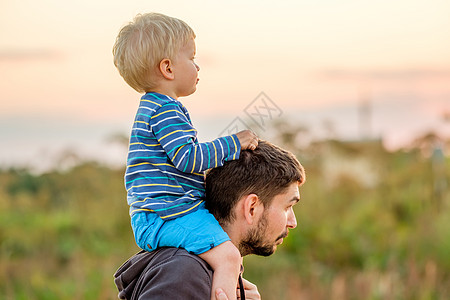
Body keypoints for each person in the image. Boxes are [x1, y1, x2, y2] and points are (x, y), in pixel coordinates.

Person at [112, 12, 258, 300]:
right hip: (168, 214)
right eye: (191, 57)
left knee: (219, 258)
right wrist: (234, 143)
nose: (198, 65)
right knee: (228, 256)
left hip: (159, 214)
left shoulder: (153, 108)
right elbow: (189, 158)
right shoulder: (165, 110)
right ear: (167, 67)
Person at [114, 140, 306, 299]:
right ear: (251, 207)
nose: (292, 222)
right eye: (288, 207)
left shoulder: (202, 273)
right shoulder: (185, 275)